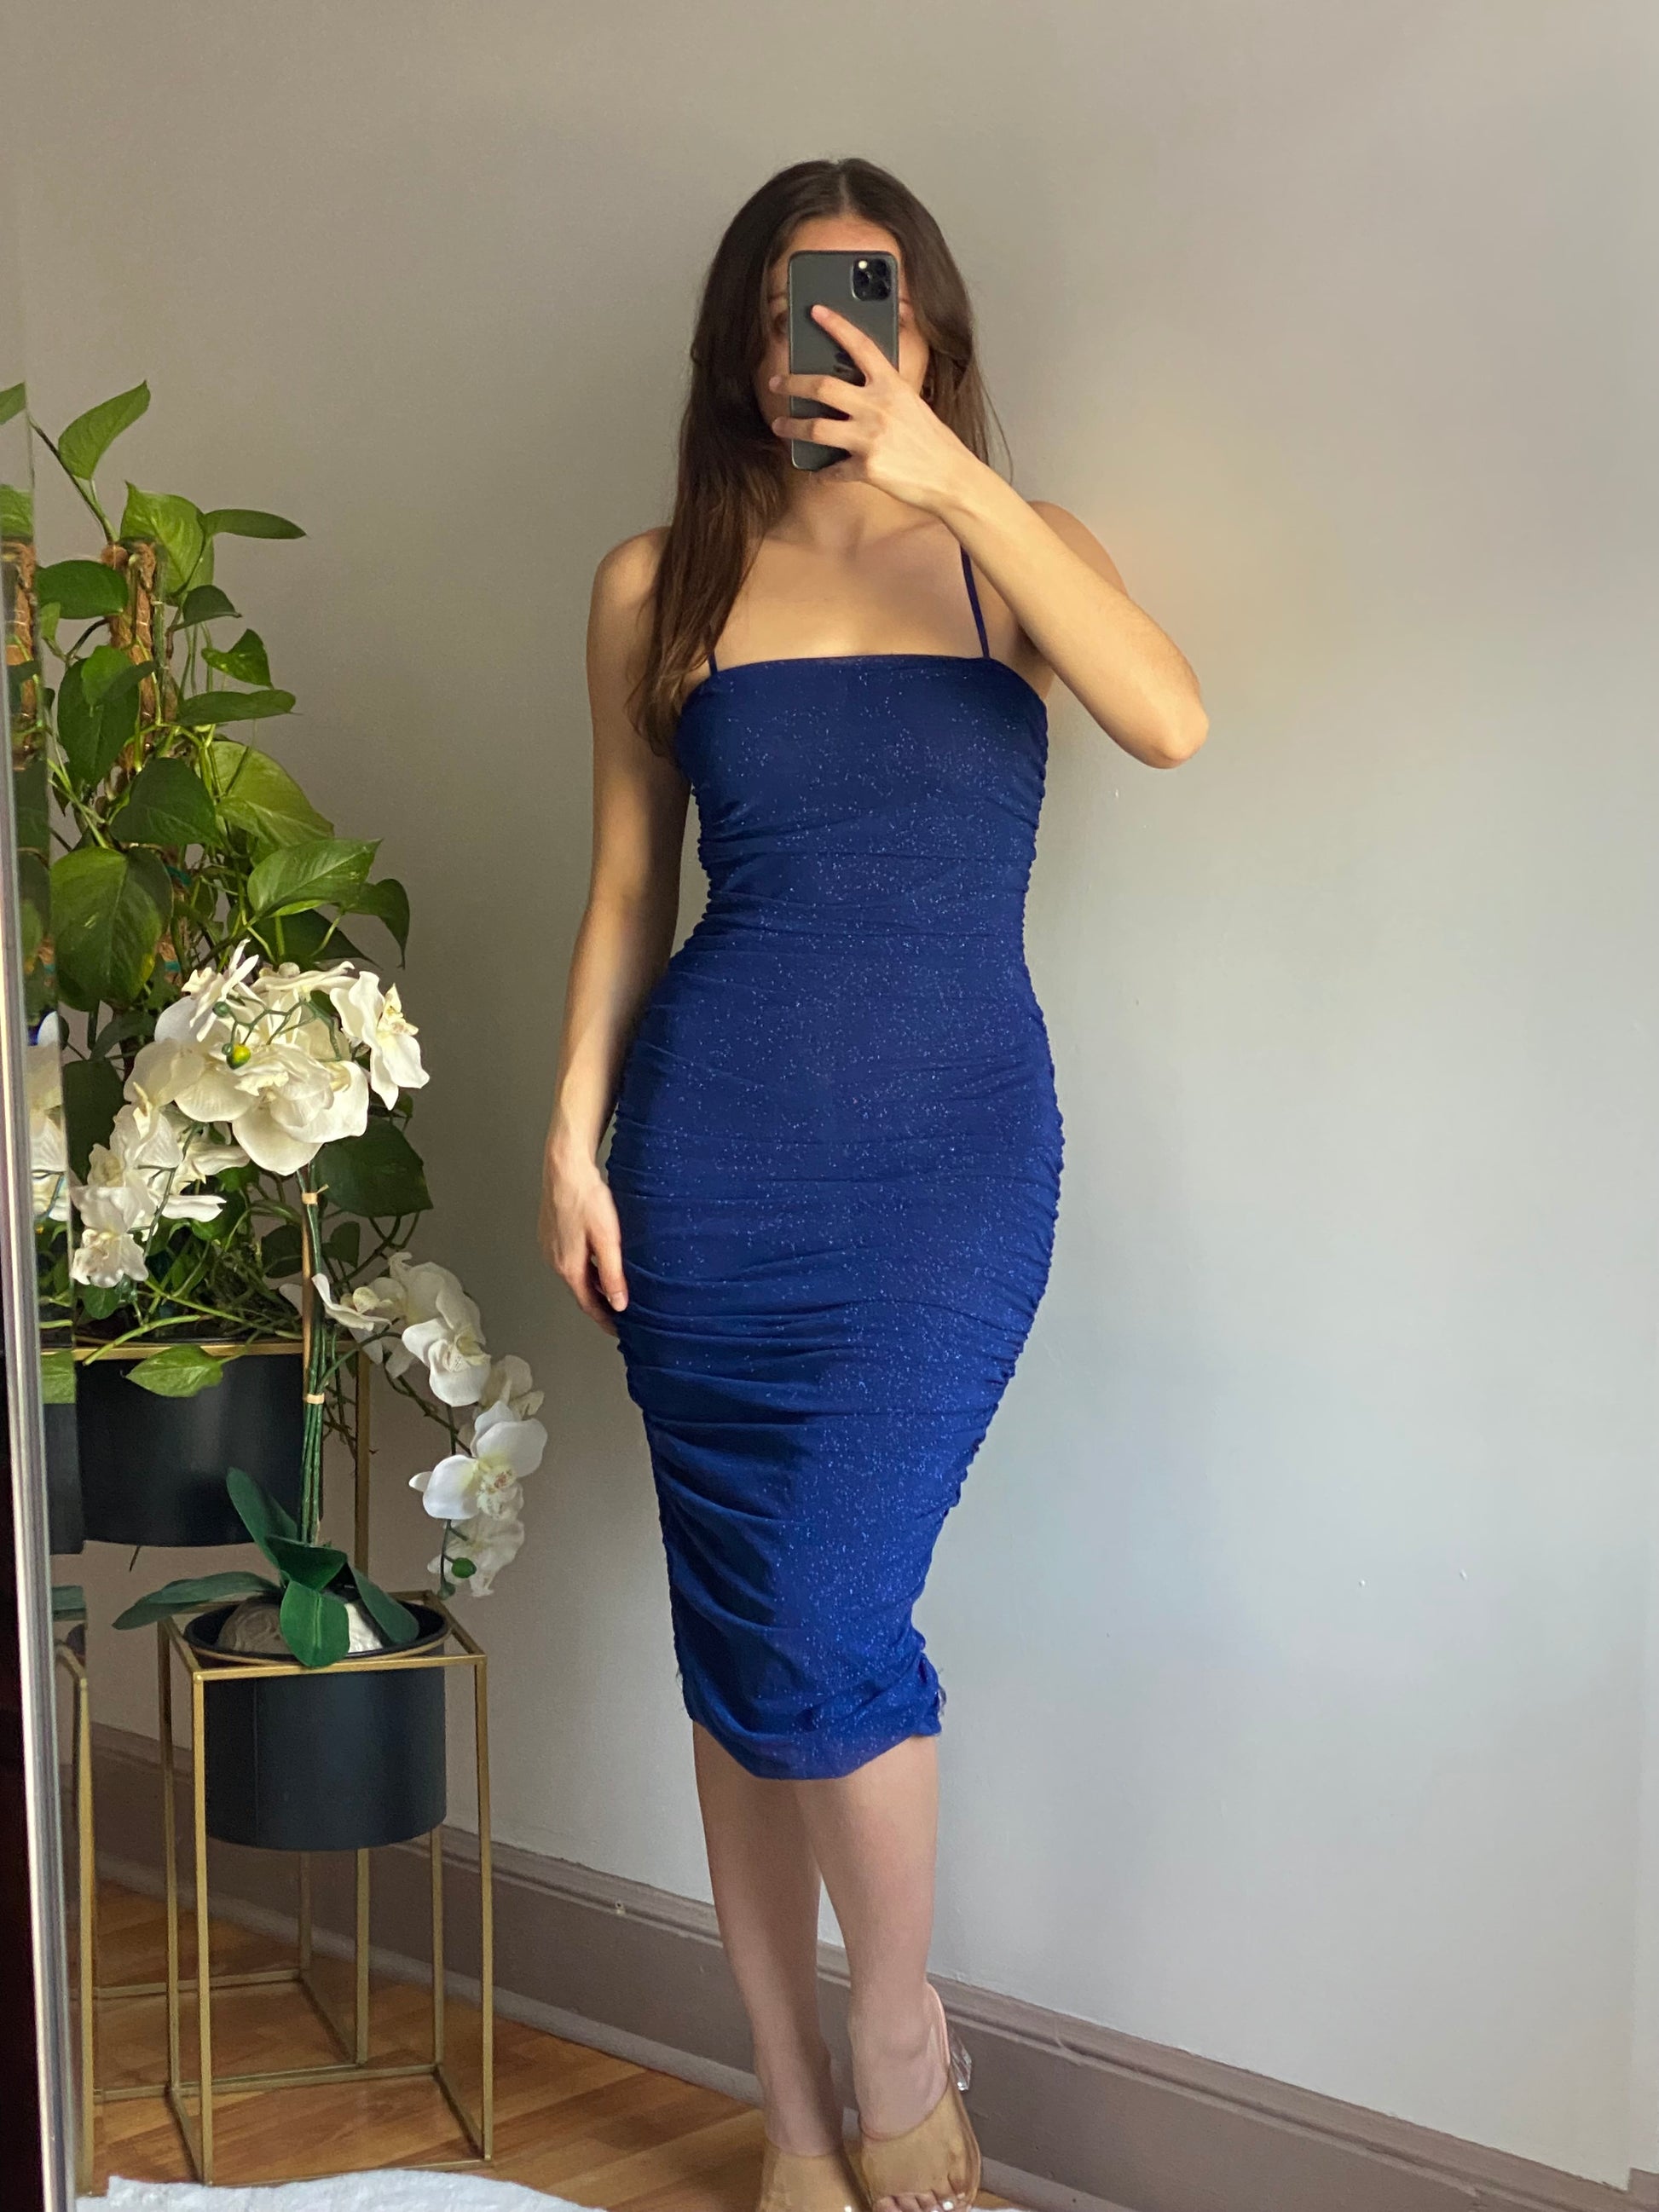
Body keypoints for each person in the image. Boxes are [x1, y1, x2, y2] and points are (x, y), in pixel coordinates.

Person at [540, 156, 1206, 2212]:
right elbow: (630, 883)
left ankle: (897, 2030)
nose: (815, 336)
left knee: (825, 1608)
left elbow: (1170, 720)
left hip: (948, 1159)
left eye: (860, 295)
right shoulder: (654, 583)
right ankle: (793, 2116)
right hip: (707, 1155)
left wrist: (950, 476)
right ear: (732, 343)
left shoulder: (1019, 551)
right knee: (743, 1632)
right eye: (781, 305)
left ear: (928, 328)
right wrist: (567, 1130)